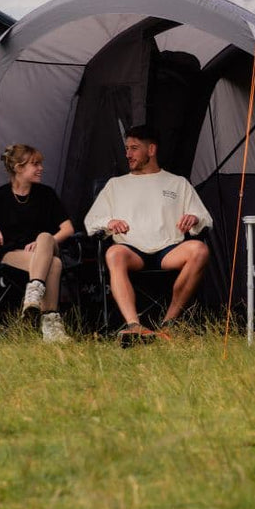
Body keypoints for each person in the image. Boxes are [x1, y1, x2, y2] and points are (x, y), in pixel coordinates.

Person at [84, 125, 212, 345]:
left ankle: (168, 324)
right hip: (131, 250)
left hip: (168, 249)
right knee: (113, 253)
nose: (128, 154)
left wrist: (194, 218)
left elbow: (205, 219)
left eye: (134, 148)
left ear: (151, 150)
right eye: (126, 148)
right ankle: (134, 325)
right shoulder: (116, 185)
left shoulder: (177, 183)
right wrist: (109, 222)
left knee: (200, 250)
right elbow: (91, 221)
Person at [0, 143, 74, 343]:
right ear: (19, 168)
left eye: (40, 164)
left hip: (45, 247)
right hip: (13, 254)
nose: (41, 168)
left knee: (45, 236)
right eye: (35, 164)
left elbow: (68, 229)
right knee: (54, 264)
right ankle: (50, 327)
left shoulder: (46, 194)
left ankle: (34, 292)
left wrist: (43, 243)